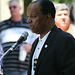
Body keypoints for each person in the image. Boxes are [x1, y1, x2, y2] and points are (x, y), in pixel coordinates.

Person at [26, 0, 75, 75]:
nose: (29, 21)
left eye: (33, 16)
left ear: (47, 17)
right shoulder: (36, 43)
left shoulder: (65, 40)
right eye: (28, 17)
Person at [0, 0, 37, 75]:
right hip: (7, 67)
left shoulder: (29, 23)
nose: (12, 9)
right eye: (10, 8)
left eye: (14, 7)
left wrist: (30, 45)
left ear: (20, 8)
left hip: (25, 67)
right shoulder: (2, 25)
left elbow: (37, 38)